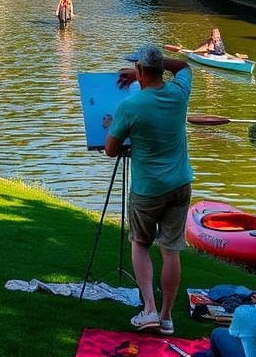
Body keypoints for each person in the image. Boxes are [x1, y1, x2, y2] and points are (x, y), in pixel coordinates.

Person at [105, 44, 193, 335]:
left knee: (140, 244)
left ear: (141, 71)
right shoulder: (179, 94)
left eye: (138, 70)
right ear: (159, 70)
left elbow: (110, 150)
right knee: (171, 250)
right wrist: (151, 65)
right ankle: (167, 318)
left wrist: (111, 127)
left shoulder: (130, 107)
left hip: (148, 189)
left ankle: (150, 310)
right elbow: (183, 67)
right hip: (180, 184)